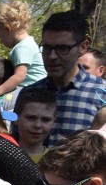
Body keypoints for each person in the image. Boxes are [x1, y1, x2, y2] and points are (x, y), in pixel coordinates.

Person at [19, 10, 106, 147]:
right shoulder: (29, 94)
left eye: (62, 48)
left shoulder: (101, 94)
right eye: (47, 48)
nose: (52, 56)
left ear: (83, 47)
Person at [0, 1, 47, 97]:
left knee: (1, 102)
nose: (0, 41)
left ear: (8, 29)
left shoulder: (22, 48)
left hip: (32, 90)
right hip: (33, 89)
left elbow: (19, 76)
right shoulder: (28, 43)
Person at [13, 89, 57, 163]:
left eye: (45, 119)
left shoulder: (55, 162)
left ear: (53, 122)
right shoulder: (2, 155)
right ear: (16, 118)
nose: (37, 125)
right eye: (31, 118)